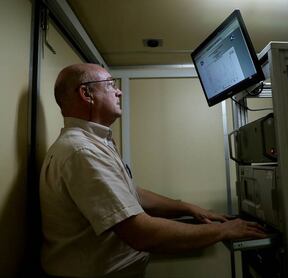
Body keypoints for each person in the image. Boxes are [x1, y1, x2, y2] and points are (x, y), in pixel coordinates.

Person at [39, 63, 266, 278]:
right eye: (110, 85)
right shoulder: (82, 151)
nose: (119, 92)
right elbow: (141, 233)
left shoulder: (93, 143)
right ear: (86, 94)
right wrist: (224, 231)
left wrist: (187, 207)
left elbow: (129, 194)